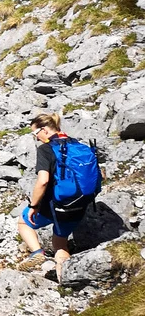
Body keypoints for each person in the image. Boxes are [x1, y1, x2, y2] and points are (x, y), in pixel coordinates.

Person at [16, 113, 102, 281]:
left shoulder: (46, 150)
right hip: (81, 203)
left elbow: (43, 181)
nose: (37, 138)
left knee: (23, 221)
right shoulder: (77, 145)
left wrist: (34, 206)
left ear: (45, 130)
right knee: (60, 243)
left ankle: (37, 252)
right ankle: (69, 282)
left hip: (56, 205)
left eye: (35, 133)